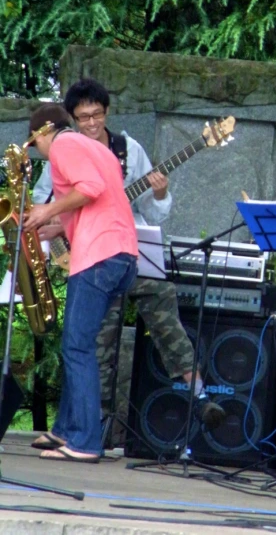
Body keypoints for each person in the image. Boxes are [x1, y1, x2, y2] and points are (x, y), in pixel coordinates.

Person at [32, 79, 224, 435]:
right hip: (89, 252)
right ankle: (96, 425)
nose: (91, 123)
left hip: (130, 249)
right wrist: (60, 226)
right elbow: (43, 206)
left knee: (163, 300)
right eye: (83, 117)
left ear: (107, 113)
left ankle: (199, 395)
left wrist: (160, 192)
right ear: (71, 120)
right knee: (97, 340)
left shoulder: (128, 149)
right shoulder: (64, 151)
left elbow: (156, 213)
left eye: (97, 114)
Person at [24, 103, 138, 462]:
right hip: (121, 254)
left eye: (34, 143)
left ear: (44, 131)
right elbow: (99, 200)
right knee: (81, 344)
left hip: (97, 255)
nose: (38, 151)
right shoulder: (97, 148)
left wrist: (46, 211)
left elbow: (88, 189)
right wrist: (54, 228)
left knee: (76, 347)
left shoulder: (64, 145)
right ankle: (66, 431)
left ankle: (86, 442)